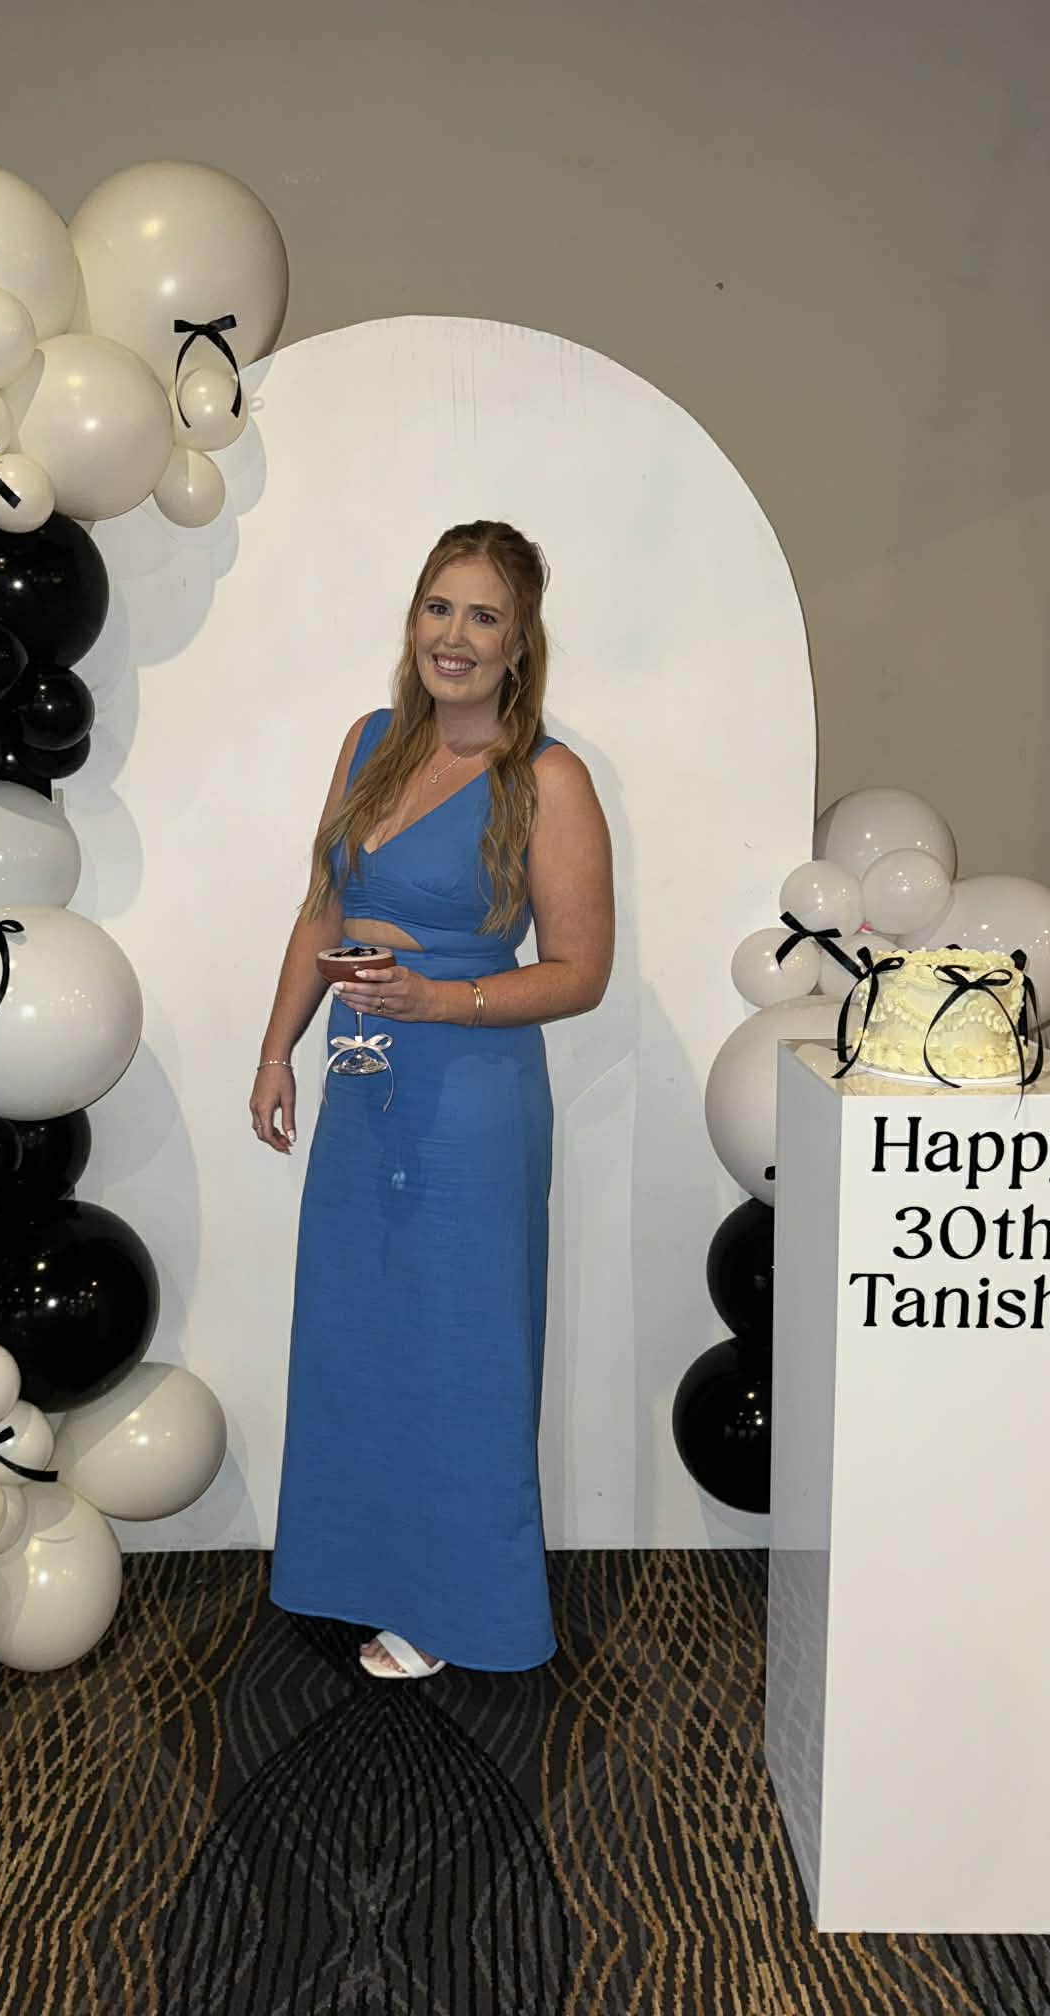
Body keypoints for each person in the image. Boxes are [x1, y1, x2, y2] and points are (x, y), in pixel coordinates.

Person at [252, 520, 613, 1679]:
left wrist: (438, 999)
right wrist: (276, 1052)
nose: (454, 635)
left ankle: (462, 1610)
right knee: (358, 1330)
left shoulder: (546, 777)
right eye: (438, 607)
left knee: (461, 1346)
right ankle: (358, 1568)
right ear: (413, 620)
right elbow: (322, 910)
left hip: (471, 1101)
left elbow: (581, 971)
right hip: (363, 1077)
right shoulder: (368, 741)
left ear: (520, 643)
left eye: (484, 616)